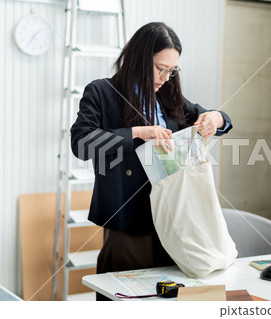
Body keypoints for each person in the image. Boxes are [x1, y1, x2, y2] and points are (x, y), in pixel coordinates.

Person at [70, 22, 232, 300]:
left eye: (172, 71)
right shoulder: (102, 92)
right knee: (127, 299)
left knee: (171, 299)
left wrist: (215, 118)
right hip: (130, 220)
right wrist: (137, 134)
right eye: (160, 68)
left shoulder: (170, 97)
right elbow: (82, 143)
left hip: (175, 218)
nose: (165, 78)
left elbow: (221, 120)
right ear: (140, 58)